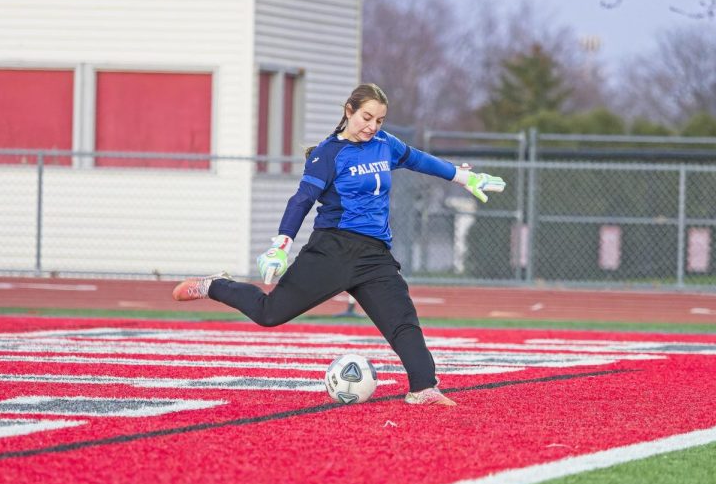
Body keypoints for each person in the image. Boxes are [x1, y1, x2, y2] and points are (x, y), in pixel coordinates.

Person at [173, 83, 505, 406]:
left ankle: (424, 388)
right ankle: (216, 285)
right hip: (332, 250)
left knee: (402, 320)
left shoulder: (385, 144)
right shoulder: (327, 154)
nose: (372, 126)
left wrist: (465, 178)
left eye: (379, 120)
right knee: (269, 313)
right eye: (366, 117)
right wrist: (281, 245)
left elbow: (420, 160)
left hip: (374, 255)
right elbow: (302, 199)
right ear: (349, 111)